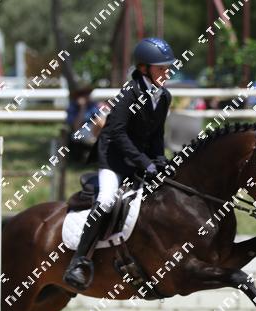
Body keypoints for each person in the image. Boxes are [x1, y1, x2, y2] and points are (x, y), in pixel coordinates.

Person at [63, 37, 175, 291]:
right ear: (144, 68)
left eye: (168, 68)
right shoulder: (128, 94)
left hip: (141, 162)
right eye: (161, 68)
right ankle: (79, 262)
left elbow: (156, 135)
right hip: (113, 161)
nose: (166, 73)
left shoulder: (164, 96)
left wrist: (160, 161)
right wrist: (144, 162)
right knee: (106, 201)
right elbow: (117, 134)